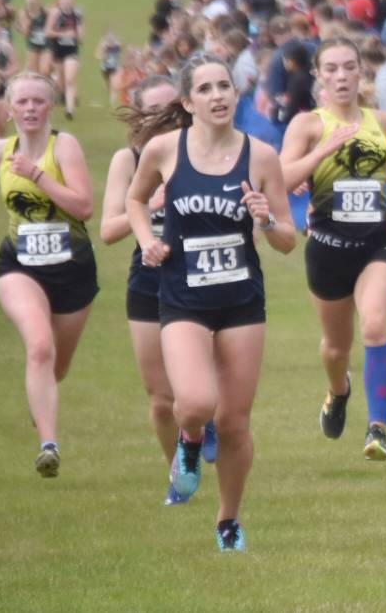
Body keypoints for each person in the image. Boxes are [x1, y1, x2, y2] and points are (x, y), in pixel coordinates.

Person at [125, 54, 296, 550]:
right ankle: (189, 440)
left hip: (242, 299)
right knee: (196, 402)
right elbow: (136, 200)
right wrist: (147, 240)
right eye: (206, 89)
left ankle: (228, 521)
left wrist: (265, 220)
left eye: (225, 86)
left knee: (236, 421)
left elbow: (287, 239)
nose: (218, 96)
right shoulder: (164, 150)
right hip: (182, 297)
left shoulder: (261, 156)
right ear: (187, 101)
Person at [280, 38, 386, 461]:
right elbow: (284, 178)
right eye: (332, 69)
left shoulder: (381, 119)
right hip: (327, 246)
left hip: (377, 241)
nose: (341, 76)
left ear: (361, 72)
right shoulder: (306, 125)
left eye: (349, 67)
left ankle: (377, 428)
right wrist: (322, 150)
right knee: (336, 346)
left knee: (375, 325)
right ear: (320, 76)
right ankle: (337, 389)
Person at [0, 72, 97, 477]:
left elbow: (83, 207)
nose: (30, 108)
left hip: (73, 270)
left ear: (50, 107)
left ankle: (42, 401)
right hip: (19, 264)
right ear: (11, 110)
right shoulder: (0, 149)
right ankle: (48, 445)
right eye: (23, 102)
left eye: (38, 101)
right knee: (39, 347)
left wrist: (36, 175)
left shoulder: (63, 147)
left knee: (57, 366)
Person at [103, 74, 218, 506]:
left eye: (171, 108)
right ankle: (180, 472)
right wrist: (151, 203)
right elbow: (109, 229)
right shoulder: (127, 160)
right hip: (150, 275)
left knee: (202, 384)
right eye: (153, 110)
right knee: (159, 397)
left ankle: (210, 421)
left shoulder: (207, 150)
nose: (164, 118)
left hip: (204, 274)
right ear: (139, 115)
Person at [45, 0, 82, 120]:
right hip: (58, 50)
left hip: (72, 50)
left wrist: (78, 35)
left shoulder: (77, 14)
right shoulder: (55, 13)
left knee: (70, 79)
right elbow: (48, 32)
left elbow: (81, 35)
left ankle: (70, 110)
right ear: (59, 0)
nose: (66, 1)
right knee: (61, 82)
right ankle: (59, 90)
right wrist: (63, 33)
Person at [17, 0, 50, 75]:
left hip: (46, 44)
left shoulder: (45, 11)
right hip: (33, 44)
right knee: (34, 72)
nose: (31, 0)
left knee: (44, 70)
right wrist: (27, 25)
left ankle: (51, 82)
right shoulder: (24, 13)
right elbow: (26, 34)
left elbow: (52, 24)